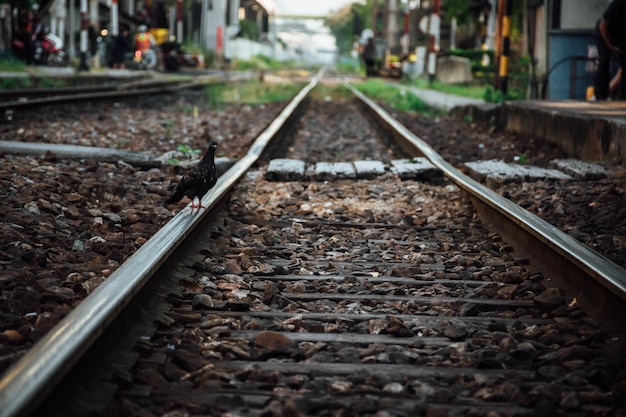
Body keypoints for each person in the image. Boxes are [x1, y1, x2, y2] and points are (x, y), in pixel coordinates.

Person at [593, 0, 626, 100]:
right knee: (605, 60)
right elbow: (602, 25)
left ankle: (623, 95)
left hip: (621, 36)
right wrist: (610, 45)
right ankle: (600, 95)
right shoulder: (618, 3)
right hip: (604, 34)